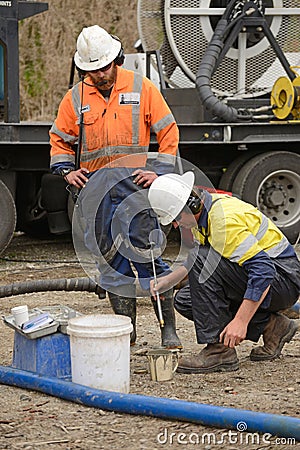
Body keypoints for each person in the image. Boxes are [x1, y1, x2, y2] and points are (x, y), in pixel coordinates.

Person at [49, 25, 182, 348]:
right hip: (97, 193)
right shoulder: (76, 98)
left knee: (147, 256)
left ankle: (168, 331)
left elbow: (168, 131)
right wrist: (66, 170)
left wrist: (159, 172)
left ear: (116, 60)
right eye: (92, 70)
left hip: (135, 189)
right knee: (110, 263)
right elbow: (60, 140)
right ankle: (126, 332)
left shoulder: (142, 87)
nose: (100, 75)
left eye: (104, 67)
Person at [148, 171, 300, 372]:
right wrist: (167, 281)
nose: (176, 224)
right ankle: (271, 326)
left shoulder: (223, 220)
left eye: (176, 217)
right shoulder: (203, 215)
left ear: (192, 205)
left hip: (282, 280)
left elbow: (263, 272)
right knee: (186, 299)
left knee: (203, 259)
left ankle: (219, 352)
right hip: (270, 278)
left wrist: (241, 321)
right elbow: (197, 260)